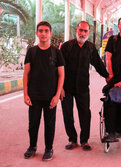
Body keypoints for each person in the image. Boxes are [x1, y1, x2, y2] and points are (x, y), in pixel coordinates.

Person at [60, 21, 109, 151]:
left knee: (85, 114)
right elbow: (59, 69)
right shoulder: (66, 47)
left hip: (82, 88)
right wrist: (60, 88)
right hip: (67, 88)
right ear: (76, 30)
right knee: (67, 114)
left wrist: (109, 78)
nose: (82, 33)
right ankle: (72, 139)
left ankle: (84, 140)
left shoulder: (91, 48)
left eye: (85, 31)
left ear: (88, 32)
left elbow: (98, 65)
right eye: (80, 30)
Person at [23, 21, 65, 161]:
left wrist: (57, 94)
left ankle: (49, 148)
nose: (43, 33)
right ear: (37, 33)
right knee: (33, 123)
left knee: (49, 124)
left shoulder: (56, 52)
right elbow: (26, 74)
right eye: (40, 31)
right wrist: (26, 94)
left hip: (50, 96)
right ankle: (32, 146)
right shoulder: (32, 51)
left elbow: (61, 75)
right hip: (34, 95)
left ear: (50, 34)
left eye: (46, 31)